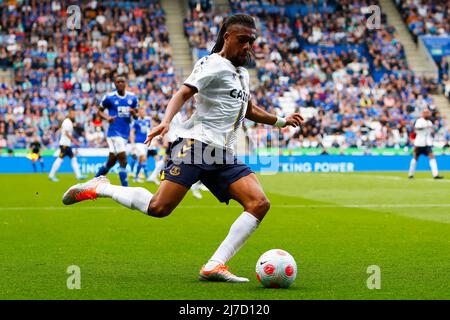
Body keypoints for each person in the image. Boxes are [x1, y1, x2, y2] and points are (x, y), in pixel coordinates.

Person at [62, 14, 303, 283]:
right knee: (159, 207)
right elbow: (183, 93)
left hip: (222, 152)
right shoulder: (213, 63)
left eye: (252, 41)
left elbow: (248, 109)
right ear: (227, 37)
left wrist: (281, 121)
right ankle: (100, 187)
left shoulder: (242, 74)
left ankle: (214, 265)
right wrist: (165, 123)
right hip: (196, 144)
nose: (248, 46)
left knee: (259, 203)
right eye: (243, 40)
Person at [94, 76, 138, 186]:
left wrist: (133, 113)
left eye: (122, 81)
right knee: (123, 161)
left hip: (125, 134)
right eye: (117, 82)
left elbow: (137, 116)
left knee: (111, 162)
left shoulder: (132, 98)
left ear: (125, 83)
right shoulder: (109, 97)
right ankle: (126, 189)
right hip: (114, 133)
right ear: (115, 84)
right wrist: (107, 118)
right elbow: (99, 111)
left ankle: (93, 182)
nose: (119, 83)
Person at [48, 108, 86, 182]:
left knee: (73, 159)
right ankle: (51, 175)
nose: (73, 115)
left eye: (74, 114)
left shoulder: (69, 122)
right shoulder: (67, 122)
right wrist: (75, 141)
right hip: (64, 144)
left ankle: (78, 175)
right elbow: (66, 133)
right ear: (69, 114)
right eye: (72, 114)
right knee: (60, 159)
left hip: (67, 145)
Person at [408, 109, 444, 179]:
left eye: (428, 113)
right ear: (423, 114)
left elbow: (430, 132)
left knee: (432, 157)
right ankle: (410, 174)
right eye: (426, 113)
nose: (427, 114)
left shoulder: (430, 122)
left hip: (427, 143)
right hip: (419, 143)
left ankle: (435, 175)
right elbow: (417, 129)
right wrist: (425, 127)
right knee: (415, 158)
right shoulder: (419, 121)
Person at [130, 107, 152, 183]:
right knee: (143, 156)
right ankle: (148, 176)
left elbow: (150, 130)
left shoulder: (148, 120)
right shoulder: (136, 121)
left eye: (144, 111)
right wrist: (133, 144)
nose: (143, 113)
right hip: (138, 143)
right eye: (141, 111)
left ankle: (136, 177)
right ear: (139, 113)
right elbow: (132, 132)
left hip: (145, 143)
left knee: (142, 160)